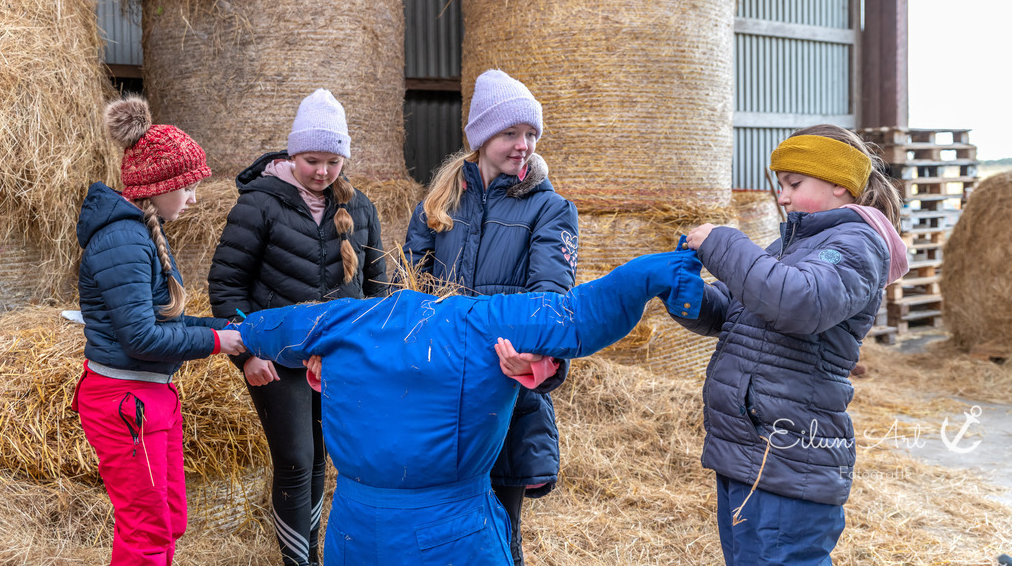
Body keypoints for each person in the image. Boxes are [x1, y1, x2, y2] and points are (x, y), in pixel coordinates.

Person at [234, 244, 705, 565]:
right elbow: (580, 316)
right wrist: (659, 271)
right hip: (450, 535)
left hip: (353, 530)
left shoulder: (344, 322)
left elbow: (257, 329)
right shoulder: (482, 322)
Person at [675, 124, 909, 565]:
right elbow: (732, 311)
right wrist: (684, 295)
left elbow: (799, 303)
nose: (781, 196)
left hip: (789, 461)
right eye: (781, 184)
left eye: (793, 183)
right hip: (748, 450)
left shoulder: (856, 244)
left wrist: (723, 242)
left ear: (840, 183)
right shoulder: (792, 245)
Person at [402, 69, 579, 565]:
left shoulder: (550, 210)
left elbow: (552, 302)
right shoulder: (436, 206)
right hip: (439, 393)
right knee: (438, 530)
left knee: (499, 532)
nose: (523, 145)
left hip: (504, 391)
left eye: (530, 134)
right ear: (479, 138)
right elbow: (408, 294)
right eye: (509, 133)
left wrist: (539, 361)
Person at [208, 88, 388, 566]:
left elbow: (378, 289)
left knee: (323, 462)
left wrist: (374, 350)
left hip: (338, 360)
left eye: (333, 161)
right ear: (293, 154)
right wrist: (248, 352)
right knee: (295, 459)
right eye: (312, 160)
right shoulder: (259, 204)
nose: (323, 172)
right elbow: (226, 285)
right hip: (277, 357)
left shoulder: (361, 208)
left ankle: (311, 554)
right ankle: (297, 561)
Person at [72, 95, 245, 566]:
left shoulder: (143, 232)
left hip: (151, 397)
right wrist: (215, 341)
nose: (193, 198)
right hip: (126, 401)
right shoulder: (123, 239)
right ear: (159, 185)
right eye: (187, 186)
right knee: (147, 529)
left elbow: (161, 320)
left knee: (169, 520)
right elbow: (141, 338)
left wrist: (222, 325)